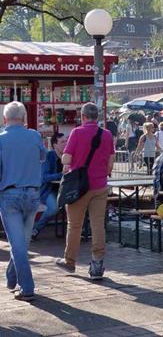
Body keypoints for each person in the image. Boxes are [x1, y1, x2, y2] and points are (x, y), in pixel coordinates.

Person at [55, 103, 115, 281]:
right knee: (98, 225)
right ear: (97, 117)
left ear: (82, 117)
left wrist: (63, 157)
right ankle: (97, 264)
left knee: (74, 225)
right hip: (100, 185)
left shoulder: (77, 133)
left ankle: (70, 260)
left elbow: (66, 158)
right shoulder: (107, 134)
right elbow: (111, 161)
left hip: (79, 187)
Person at [0, 102, 47, 301]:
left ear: (4, 118)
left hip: (9, 194)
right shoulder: (35, 136)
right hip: (32, 195)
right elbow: (43, 157)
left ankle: (26, 286)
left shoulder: (1, 139)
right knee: (22, 242)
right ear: (24, 118)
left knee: (17, 244)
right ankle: (12, 278)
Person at [33, 133, 66, 240]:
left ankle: (82, 232)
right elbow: (45, 177)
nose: (65, 144)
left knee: (81, 202)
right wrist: (61, 175)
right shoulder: (49, 156)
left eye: (66, 141)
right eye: (62, 142)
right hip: (49, 190)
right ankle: (35, 229)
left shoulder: (68, 156)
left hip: (65, 189)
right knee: (53, 209)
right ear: (55, 145)